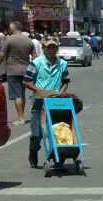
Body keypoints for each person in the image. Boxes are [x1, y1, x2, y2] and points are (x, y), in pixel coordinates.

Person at [23, 39, 72, 169]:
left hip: (55, 101)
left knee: (58, 130)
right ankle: (33, 151)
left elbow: (65, 81)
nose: (51, 50)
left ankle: (58, 157)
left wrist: (61, 92)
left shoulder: (62, 64)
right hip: (38, 102)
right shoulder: (36, 63)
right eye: (48, 47)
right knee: (36, 133)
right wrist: (39, 91)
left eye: (54, 47)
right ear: (43, 48)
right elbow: (26, 81)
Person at [0, 21, 36, 125]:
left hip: (13, 71)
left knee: (17, 95)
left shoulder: (9, 39)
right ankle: (22, 116)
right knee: (22, 94)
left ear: (13, 28)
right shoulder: (29, 40)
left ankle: (20, 118)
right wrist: (35, 69)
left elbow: (2, 54)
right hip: (26, 70)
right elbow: (35, 56)